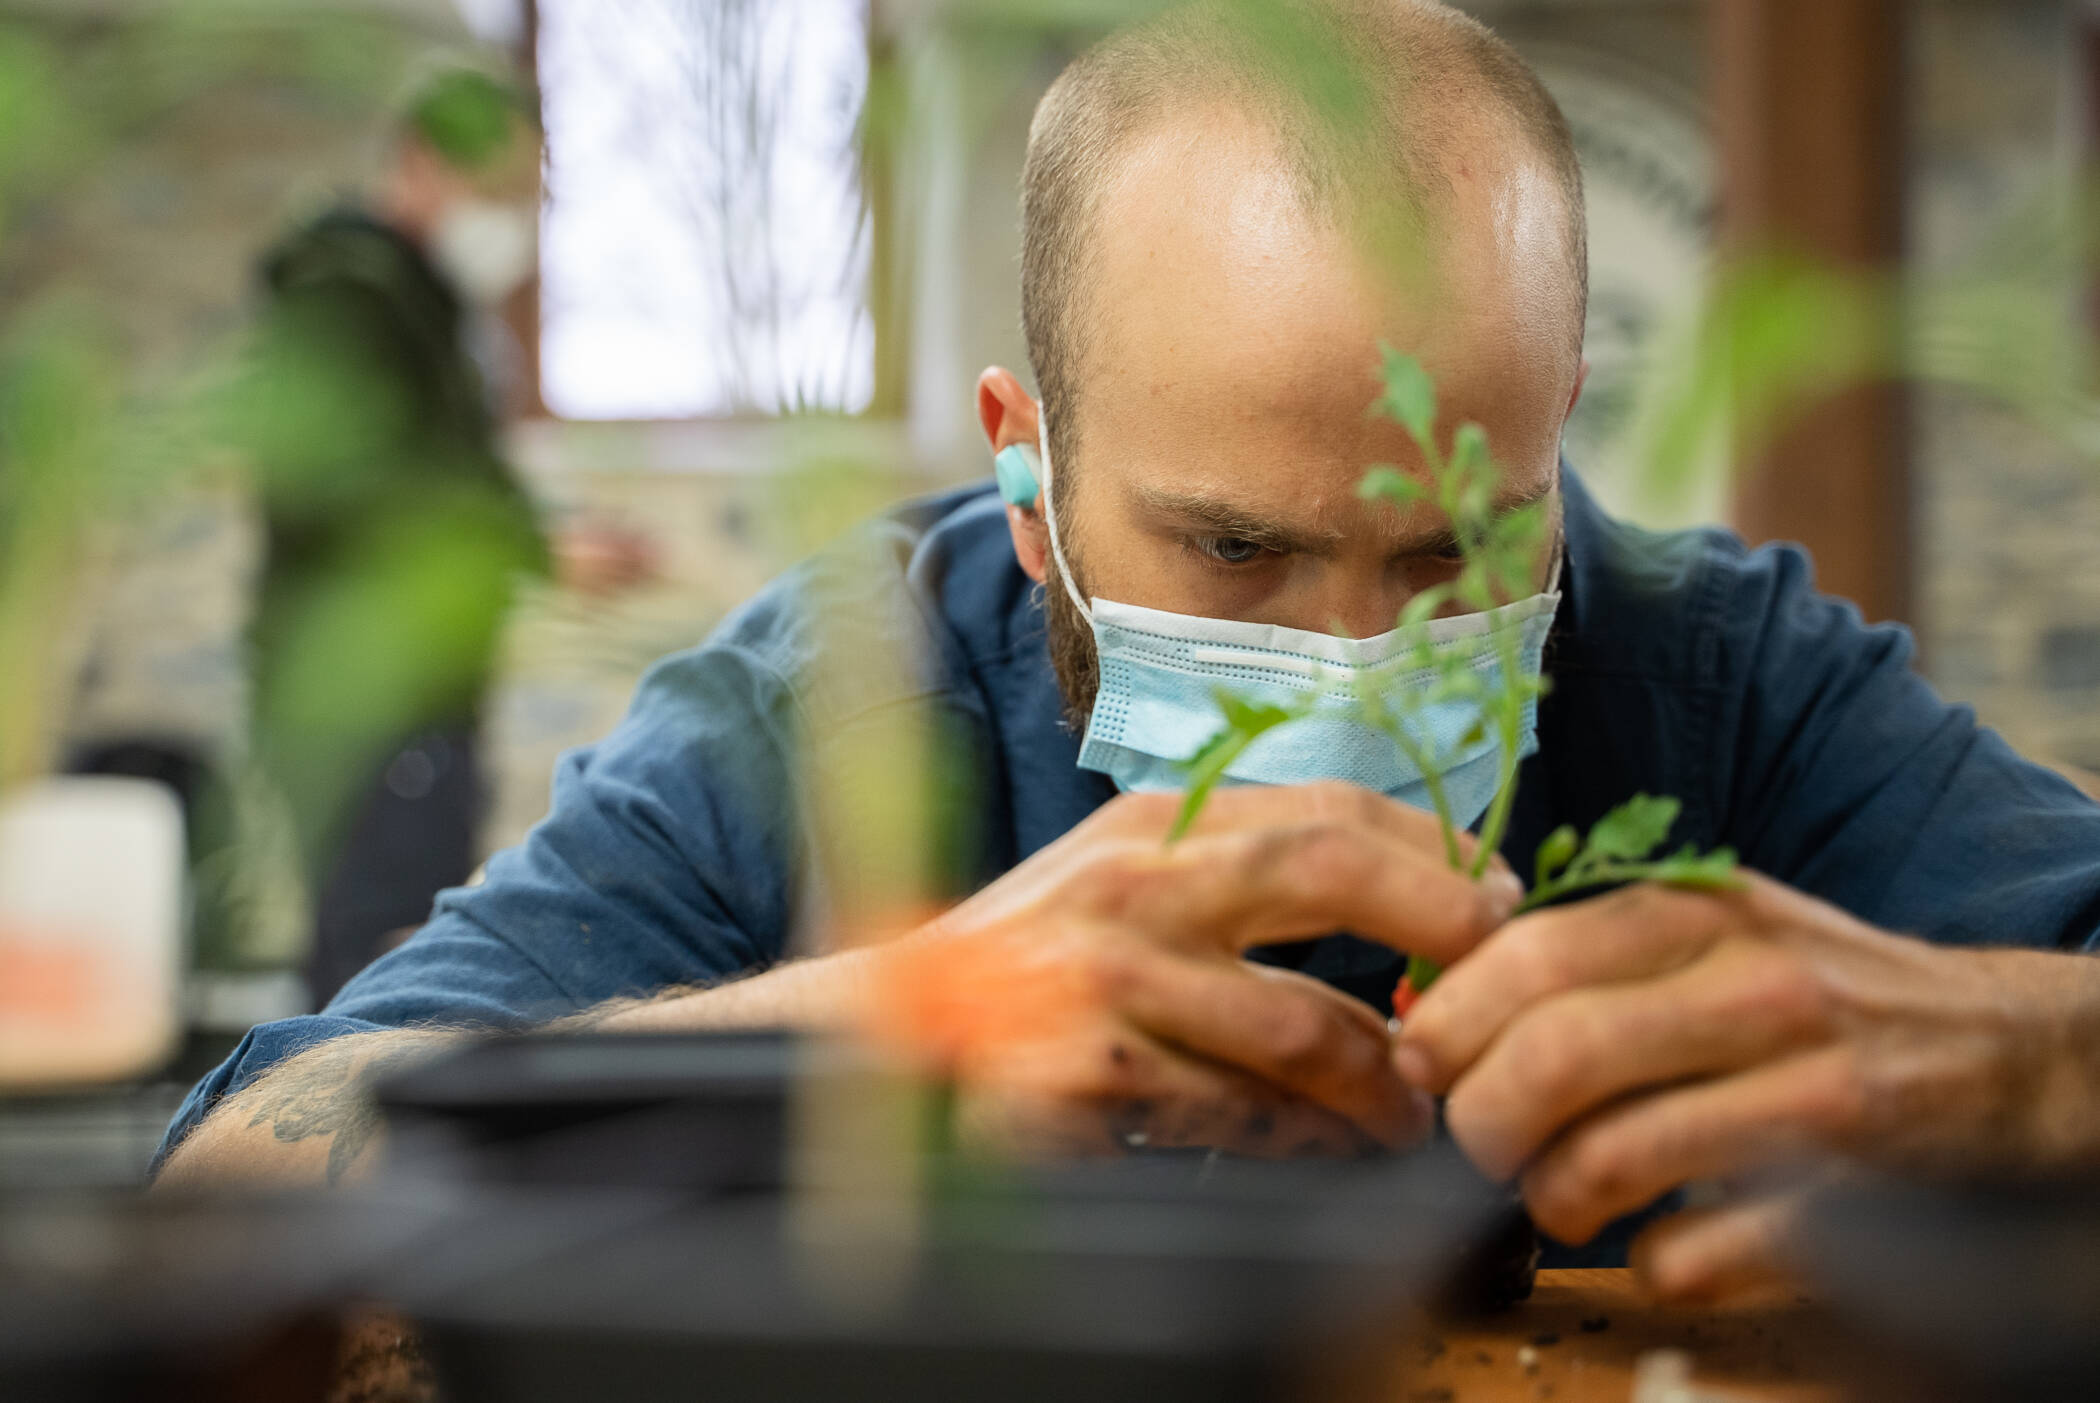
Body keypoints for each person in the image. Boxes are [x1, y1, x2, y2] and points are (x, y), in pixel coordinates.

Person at [157, 2, 2100, 1303]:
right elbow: (222, 1191)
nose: (1353, 665)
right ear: (1028, 468)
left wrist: (2023, 1064)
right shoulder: (834, 702)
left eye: (1457, 545)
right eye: (1237, 546)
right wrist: (862, 1041)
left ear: (1561, 423)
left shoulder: (1720, 674)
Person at [227, 68, 647, 1008]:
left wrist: (541, 539)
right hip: (368, 684)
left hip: (415, 682)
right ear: (420, 163)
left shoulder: (420, 304)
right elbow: (352, 489)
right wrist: (535, 553)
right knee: (384, 952)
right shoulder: (345, 295)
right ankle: (346, 1143)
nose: (508, 219)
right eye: (494, 190)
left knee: (400, 929)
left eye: (522, 196)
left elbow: (437, 471)